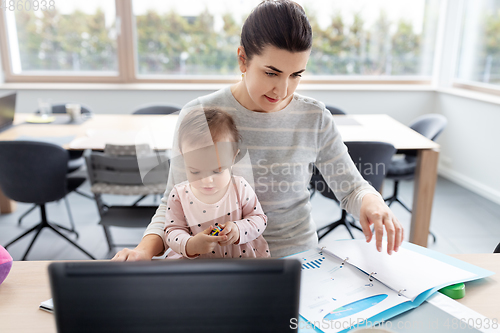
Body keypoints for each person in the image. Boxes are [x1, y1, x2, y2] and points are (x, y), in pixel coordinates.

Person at [112, 0, 403, 262]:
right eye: (271, 73)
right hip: (216, 262)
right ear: (242, 59)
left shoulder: (314, 117)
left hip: (295, 260)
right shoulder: (199, 114)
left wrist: (372, 202)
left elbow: (352, 188)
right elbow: (172, 202)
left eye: (296, 75)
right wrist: (144, 251)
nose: (283, 89)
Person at [163, 107, 270, 259]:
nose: (207, 181)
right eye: (195, 171)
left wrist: (238, 229)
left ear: (233, 158)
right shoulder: (179, 195)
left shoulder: (240, 187)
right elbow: (172, 231)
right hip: (197, 266)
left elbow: (259, 219)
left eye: (217, 171)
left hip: (241, 262)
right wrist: (190, 244)